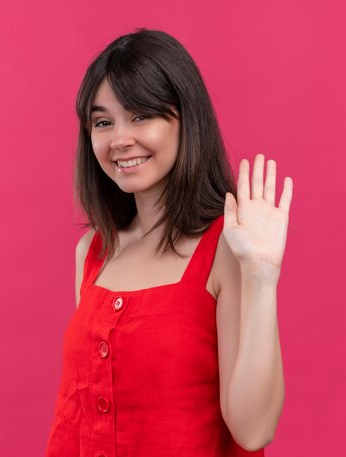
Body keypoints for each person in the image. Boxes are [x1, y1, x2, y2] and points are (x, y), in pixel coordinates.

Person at [46, 28, 293, 457]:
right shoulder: (92, 252)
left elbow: (253, 431)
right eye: (103, 122)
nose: (120, 139)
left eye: (141, 115)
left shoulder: (226, 249)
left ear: (186, 119)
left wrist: (261, 275)